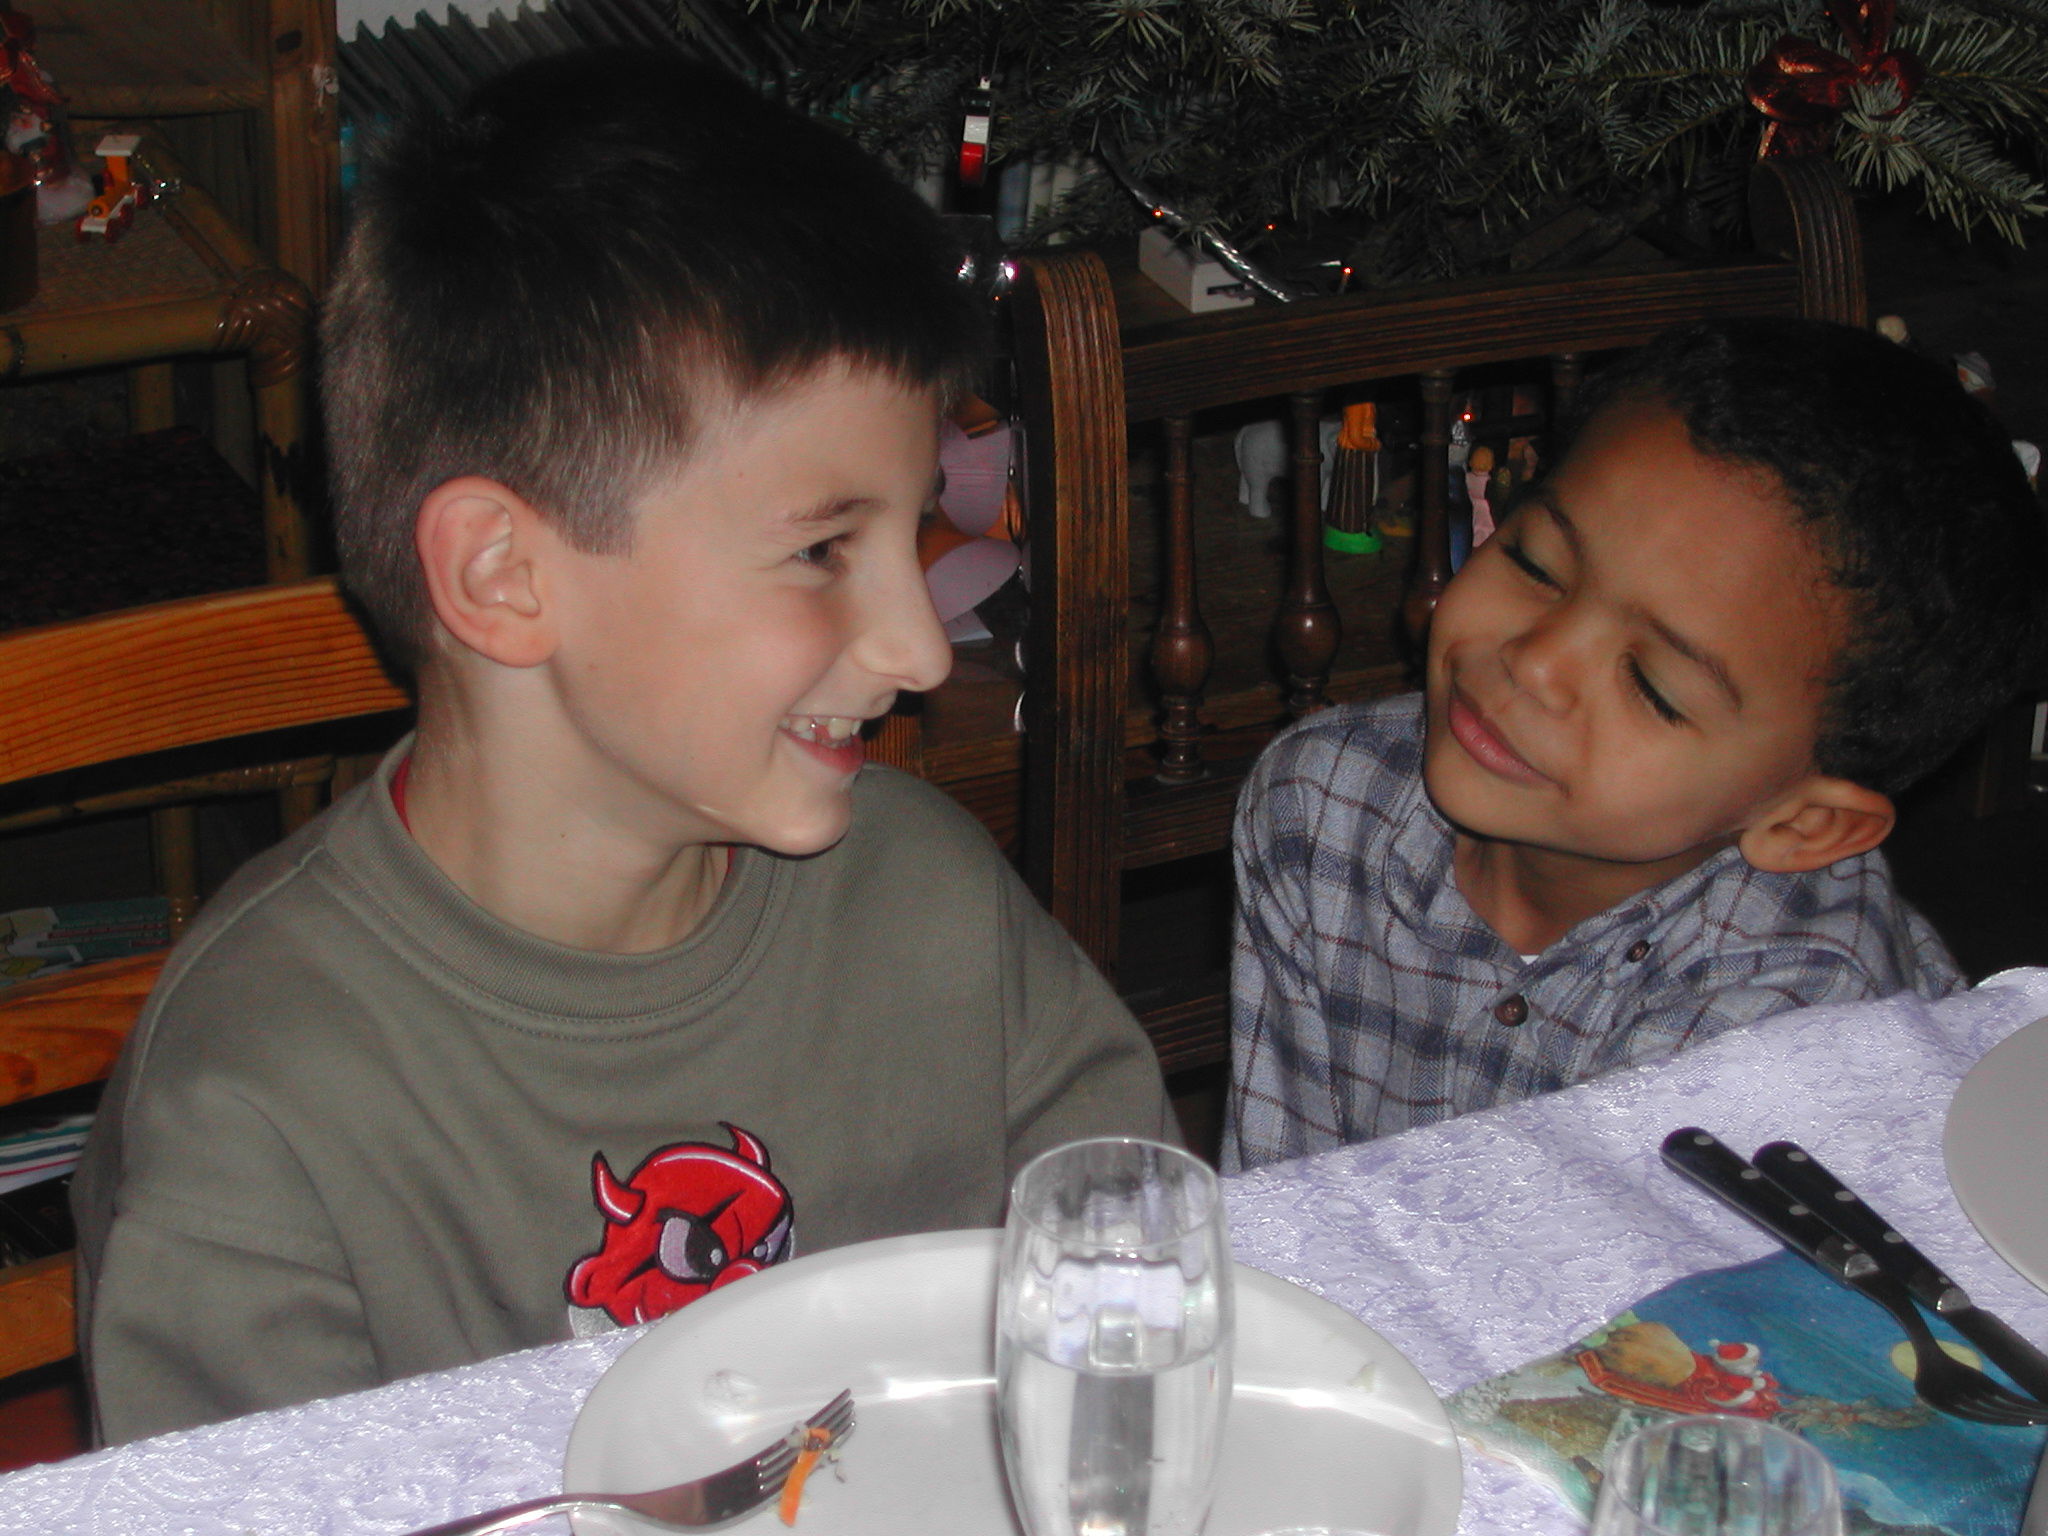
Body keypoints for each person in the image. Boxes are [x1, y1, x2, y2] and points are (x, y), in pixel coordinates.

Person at [71, 48, 1174, 1442]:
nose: (918, 648)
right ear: (503, 576)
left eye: (914, 535)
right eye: (823, 549)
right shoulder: (260, 1106)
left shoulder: (934, 899)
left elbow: (1135, 1308)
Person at [1227, 316, 2048, 1170]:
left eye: (1653, 687)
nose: (1535, 663)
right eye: (1536, 564)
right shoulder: (1320, 800)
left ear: (1804, 824)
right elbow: (1286, 1197)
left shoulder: (1793, 1019)